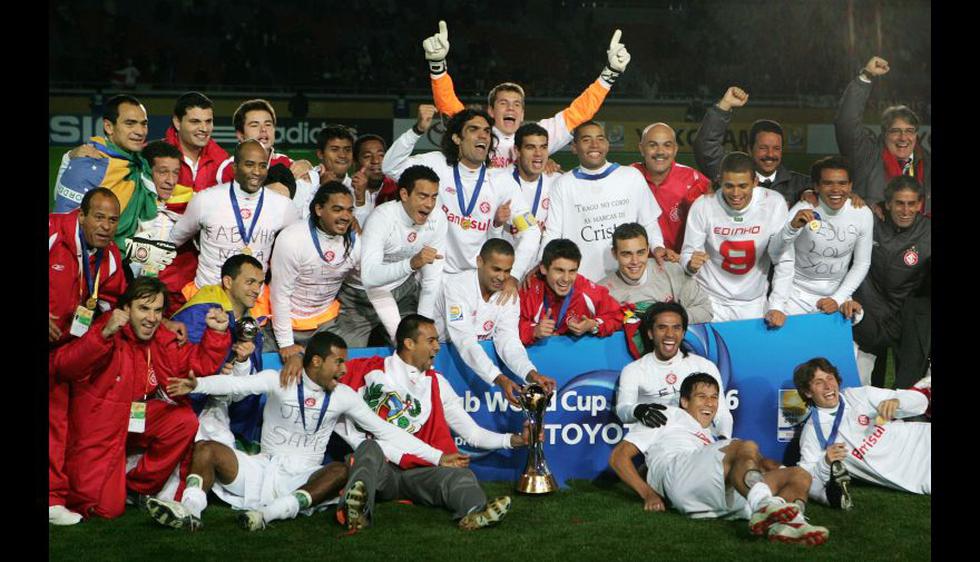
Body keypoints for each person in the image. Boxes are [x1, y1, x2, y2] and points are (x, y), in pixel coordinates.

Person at [147, 331, 458, 531]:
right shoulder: (278, 380)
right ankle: (189, 511)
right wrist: (198, 384)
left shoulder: (343, 396)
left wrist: (436, 456)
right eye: (338, 362)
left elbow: (385, 432)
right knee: (207, 450)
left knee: (340, 469)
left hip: (304, 479)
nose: (344, 370)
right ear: (317, 361)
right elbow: (237, 384)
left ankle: (270, 515)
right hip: (261, 469)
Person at [50, 277, 231, 520]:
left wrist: (216, 334)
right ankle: (111, 478)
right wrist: (103, 334)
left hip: (137, 417)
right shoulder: (108, 328)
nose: (152, 318)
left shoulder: (162, 338)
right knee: (104, 509)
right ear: (126, 309)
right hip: (99, 427)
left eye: (157, 310)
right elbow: (66, 366)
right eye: (143, 309)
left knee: (183, 420)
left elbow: (198, 363)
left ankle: (137, 487)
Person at [334, 315, 533, 531]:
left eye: (437, 340)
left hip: (419, 473)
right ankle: (357, 514)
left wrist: (515, 440)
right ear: (409, 344)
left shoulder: (437, 383)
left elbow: (473, 433)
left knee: (461, 475)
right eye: (431, 341)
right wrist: (296, 358)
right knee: (368, 448)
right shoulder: (365, 369)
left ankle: (475, 512)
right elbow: (320, 374)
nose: (437, 347)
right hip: (379, 470)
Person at [609, 373, 829, 545]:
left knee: (799, 475)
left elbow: (761, 463)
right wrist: (648, 494)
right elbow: (619, 458)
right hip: (679, 475)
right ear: (684, 401)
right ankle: (764, 504)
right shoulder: (667, 414)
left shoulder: (710, 439)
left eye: (714, 397)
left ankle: (789, 525)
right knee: (744, 445)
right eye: (701, 396)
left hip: (711, 498)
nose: (710, 403)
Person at [422, 20, 630, 167]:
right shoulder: (477, 132)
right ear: (491, 111)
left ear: (522, 113)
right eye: (503, 103)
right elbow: (449, 105)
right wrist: (437, 65)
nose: (511, 107)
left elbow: (580, 111)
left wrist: (609, 74)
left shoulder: (538, 135)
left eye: (517, 104)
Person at [381, 107, 541, 281]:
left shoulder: (502, 182)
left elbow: (531, 230)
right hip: (433, 278)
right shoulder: (436, 165)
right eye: (474, 129)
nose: (483, 136)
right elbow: (390, 167)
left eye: (487, 131)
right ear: (457, 138)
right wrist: (416, 131)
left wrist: (514, 276)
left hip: (477, 282)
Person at [48, 187, 129, 525]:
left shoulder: (109, 257)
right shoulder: (52, 233)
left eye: (112, 220)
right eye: (99, 217)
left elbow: (111, 300)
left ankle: (54, 498)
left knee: (59, 420)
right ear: (81, 215)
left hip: (66, 349)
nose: (106, 226)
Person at [169, 139, 300, 307]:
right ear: (235, 167)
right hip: (207, 298)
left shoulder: (283, 206)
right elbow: (173, 240)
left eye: (262, 166)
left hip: (253, 303)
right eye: (250, 164)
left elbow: (298, 249)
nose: (257, 172)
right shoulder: (205, 200)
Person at [793, 357, 930, 511]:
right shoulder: (813, 431)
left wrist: (898, 402)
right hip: (917, 475)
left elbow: (920, 401)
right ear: (807, 392)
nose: (828, 386)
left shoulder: (859, 395)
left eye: (830, 378)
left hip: (924, 439)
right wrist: (825, 463)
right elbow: (806, 478)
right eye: (818, 382)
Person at [435, 239, 557, 404]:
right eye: (496, 269)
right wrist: (499, 378)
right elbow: (466, 342)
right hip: (440, 358)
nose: (502, 277)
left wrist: (531, 374)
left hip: (475, 365)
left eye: (507, 271)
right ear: (479, 262)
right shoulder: (456, 287)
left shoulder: (509, 295)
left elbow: (509, 341)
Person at [542, 121, 667, 282]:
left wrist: (657, 246)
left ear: (607, 144)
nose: (595, 145)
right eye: (586, 140)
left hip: (629, 280)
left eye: (600, 139)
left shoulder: (631, 176)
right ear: (574, 146)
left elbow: (649, 221)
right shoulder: (563, 184)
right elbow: (553, 233)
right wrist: (543, 262)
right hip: (584, 282)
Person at [337, 165, 448, 346]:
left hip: (403, 290)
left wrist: (422, 326)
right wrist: (411, 264)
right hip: (359, 296)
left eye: (434, 197)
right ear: (404, 195)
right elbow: (370, 278)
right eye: (423, 196)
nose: (429, 205)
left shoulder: (438, 218)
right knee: (349, 356)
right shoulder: (382, 218)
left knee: (416, 346)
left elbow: (431, 279)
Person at [680, 152, 792, 326]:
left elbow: (784, 260)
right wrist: (690, 263)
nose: (736, 193)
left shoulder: (774, 204)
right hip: (710, 301)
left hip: (753, 304)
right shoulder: (703, 205)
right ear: (719, 181)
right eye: (729, 186)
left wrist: (777, 305)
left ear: (755, 182)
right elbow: (688, 253)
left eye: (743, 186)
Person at [171, 254, 266, 449]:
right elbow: (181, 366)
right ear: (228, 282)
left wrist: (242, 363)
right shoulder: (202, 311)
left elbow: (249, 388)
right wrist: (219, 371)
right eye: (250, 282)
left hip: (220, 407)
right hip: (185, 404)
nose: (257, 290)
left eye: (260, 283)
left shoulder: (251, 327)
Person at [847, 176, 931, 388]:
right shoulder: (869, 220)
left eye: (911, 204)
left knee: (908, 385)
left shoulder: (928, 232)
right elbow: (833, 202)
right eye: (899, 203)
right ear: (887, 204)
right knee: (864, 381)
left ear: (920, 204)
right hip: (869, 310)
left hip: (906, 316)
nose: (905, 210)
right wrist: (809, 193)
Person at [768, 156, 873, 316]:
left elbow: (862, 263)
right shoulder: (803, 208)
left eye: (842, 183)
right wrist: (792, 227)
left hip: (838, 294)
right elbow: (774, 252)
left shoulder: (862, 213)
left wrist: (837, 299)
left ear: (850, 185)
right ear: (816, 186)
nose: (836, 189)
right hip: (795, 296)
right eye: (828, 183)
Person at [615, 302, 732, 439]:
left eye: (676, 328)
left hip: (699, 443)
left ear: (683, 333)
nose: (670, 334)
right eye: (662, 328)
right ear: (650, 333)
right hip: (657, 445)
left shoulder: (704, 366)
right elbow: (623, 409)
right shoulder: (634, 370)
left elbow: (722, 413)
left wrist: (724, 441)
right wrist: (638, 410)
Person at [53, 94, 158, 244]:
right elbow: (63, 222)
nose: (140, 131)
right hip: (95, 262)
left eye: (144, 124)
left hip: (133, 258)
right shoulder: (90, 163)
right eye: (130, 123)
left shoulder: (141, 161)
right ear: (109, 127)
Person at [270, 183, 359, 360]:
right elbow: (280, 294)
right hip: (284, 321)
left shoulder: (356, 243)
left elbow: (369, 282)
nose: (345, 217)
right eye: (337, 209)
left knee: (343, 365)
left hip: (324, 321)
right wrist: (286, 343)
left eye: (350, 211)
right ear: (319, 209)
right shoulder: (292, 238)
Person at [835, 56, 931, 215]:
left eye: (909, 131)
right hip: (875, 237)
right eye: (895, 131)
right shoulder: (866, 156)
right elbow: (846, 124)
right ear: (884, 134)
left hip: (918, 237)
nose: (903, 138)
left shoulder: (927, 163)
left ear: (916, 135)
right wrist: (866, 77)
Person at [694, 86, 811, 209]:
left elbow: (829, 187)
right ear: (750, 149)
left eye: (776, 148)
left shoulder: (800, 185)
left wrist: (812, 192)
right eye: (763, 148)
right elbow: (706, 148)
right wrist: (725, 105)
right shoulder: (731, 174)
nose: (770, 154)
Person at [126, 140, 197, 315]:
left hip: (172, 300)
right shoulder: (130, 202)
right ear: (148, 172)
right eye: (163, 172)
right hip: (128, 293)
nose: (171, 181)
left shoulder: (190, 205)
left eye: (175, 173)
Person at [600, 223, 713, 325]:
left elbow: (705, 310)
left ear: (648, 250)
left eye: (640, 252)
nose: (635, 261)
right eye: (626, 254)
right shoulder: (602, 292)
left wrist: (670, 320)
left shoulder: (671, 270)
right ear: (614, 254)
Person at [518, 239, 624, 346]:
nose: (566, 279)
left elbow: (618, 314)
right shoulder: (530, 290)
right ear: (544, 269)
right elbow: (507, 327)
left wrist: (593, 325)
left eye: (572, 271)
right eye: (559, 270)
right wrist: (534, 331)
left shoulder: (585, 290)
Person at [631, 123, 712, 252]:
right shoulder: (627, 177)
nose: (660, 152)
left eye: (667, 145)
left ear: (675, 149)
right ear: (641, 148)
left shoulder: (695, 180)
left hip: (681, 263)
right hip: (637, 263)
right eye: (652, 145)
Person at [489, 123, 558, 253]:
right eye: (530, 147)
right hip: (505, 265)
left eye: (543, 147)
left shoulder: (556, 182)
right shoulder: (499, 181)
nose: (538, 153)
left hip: (541, 266)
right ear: (517, 151)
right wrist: (496, 223)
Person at [215, 99, 315, 185]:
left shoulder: (288, 164)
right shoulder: (229, 168)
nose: (263, 129)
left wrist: (310, 169)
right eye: (254, 125)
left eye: (268, 124)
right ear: (240, 135)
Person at [164, 91, 229, 192]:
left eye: (208, 121)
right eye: (195, 122)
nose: (204, 128)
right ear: (177, 122)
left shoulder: (221, 160)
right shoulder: (154, 156)